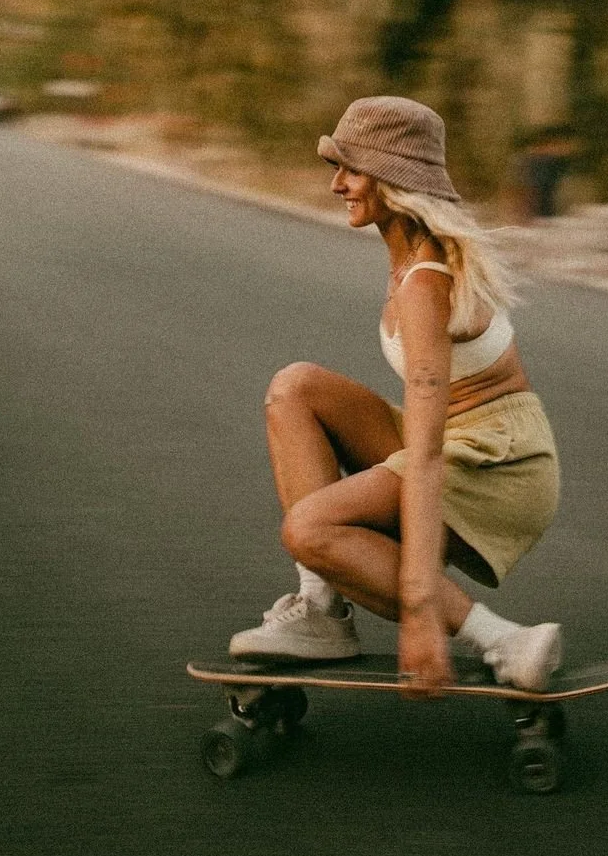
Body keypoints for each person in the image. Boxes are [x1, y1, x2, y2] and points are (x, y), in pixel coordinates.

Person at [229, 96, 562, 696]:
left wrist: (418, 614)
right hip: (463, 439)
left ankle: (503, 639)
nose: (337, 185)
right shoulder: (411, 259)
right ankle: (322, 611)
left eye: (350, 170)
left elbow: (428, 453)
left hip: (499, 463)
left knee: (309, 529)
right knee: (294, 386)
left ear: (391, 178)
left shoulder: (425, 280)